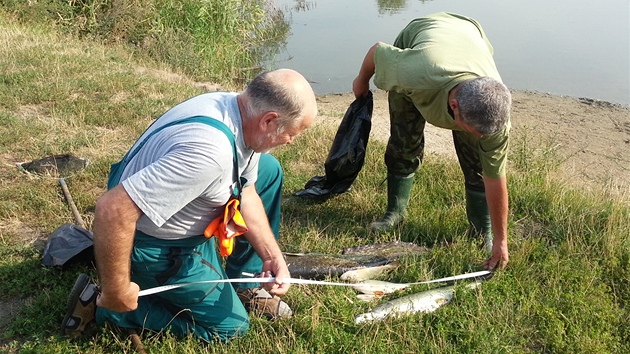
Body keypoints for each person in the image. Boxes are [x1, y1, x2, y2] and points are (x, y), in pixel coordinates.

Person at [61, 69, 318, 342]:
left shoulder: (238, 111)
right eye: (292, 133)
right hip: (154, 245)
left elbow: (247, 190)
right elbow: (113, 210)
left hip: (159, 196)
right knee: (230, 329)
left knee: (268, 169)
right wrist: (116, 290)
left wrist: (272, 256)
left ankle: (246, 285)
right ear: (269, 120)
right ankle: (107, 309)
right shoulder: (209, 155)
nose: (290, 141)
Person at [352, 12, 512, 270]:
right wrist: (361, 81)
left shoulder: (494, 115)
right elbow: (377, 51)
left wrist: (500, 240)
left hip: (469, 36)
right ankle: (395, 211)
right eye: (471, 130)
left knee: (478, 165)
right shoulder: (413, 71)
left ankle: (481, 229)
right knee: (404, 141)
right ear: (453, 106)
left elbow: (495, 176)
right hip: (421, 42)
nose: (479, 138)